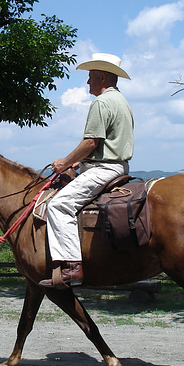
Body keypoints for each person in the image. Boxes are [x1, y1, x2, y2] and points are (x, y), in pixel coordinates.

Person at [39, 53, 134, 288]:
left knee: (59, 205)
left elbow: (91, 142)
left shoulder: (101, 102)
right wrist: (78, 162)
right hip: (117, 166)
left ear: (102, 76)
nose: (87, 82)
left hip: (103, 168)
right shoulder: (121, 101)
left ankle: (73, 267)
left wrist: (64, 162)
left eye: (90, 76)